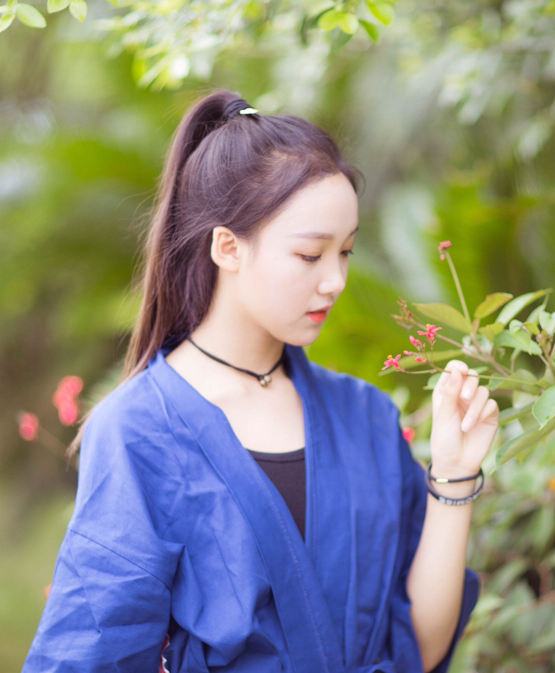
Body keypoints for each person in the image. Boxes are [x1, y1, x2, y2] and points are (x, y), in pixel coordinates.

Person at [23, 89, 499, 673]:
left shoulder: (365, 416)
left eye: (345, 252)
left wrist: (455, 472)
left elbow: (418, 650)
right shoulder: (139, 430)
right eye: (309, 255)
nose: (336, 281)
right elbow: (91, 653)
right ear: (228, 248)